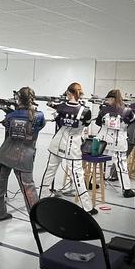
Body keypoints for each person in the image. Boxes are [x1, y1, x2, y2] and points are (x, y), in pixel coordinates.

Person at [39, 82, 97, 214]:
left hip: (57, 143)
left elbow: (58, 118)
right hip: (73, 146)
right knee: (77, 176)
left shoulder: (60, 107)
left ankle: (42, 197)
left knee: (50, 171)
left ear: (68, 93)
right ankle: (87, 207)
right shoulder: (86, 111)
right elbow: (86, 125)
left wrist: (52, 105)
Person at [0, 86, 46, 221]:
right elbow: (41, 125)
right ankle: (38, 221)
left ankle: (0, 214)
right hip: (24, 156)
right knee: (28, 189)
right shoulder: (39, 116)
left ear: (18, 99)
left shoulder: (10, 116)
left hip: (5, 153)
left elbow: (7, 125)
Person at [96, 89, 135, 197]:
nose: (107, 101)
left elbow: (98, 122)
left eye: (109, 98)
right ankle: (126, 189)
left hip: (103, 140)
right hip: (119, 141)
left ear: (112, 99)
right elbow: (132, 120)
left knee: (96, 161)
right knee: (121, 165)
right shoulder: (128, 110)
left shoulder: (103, 109)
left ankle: (90, 182)